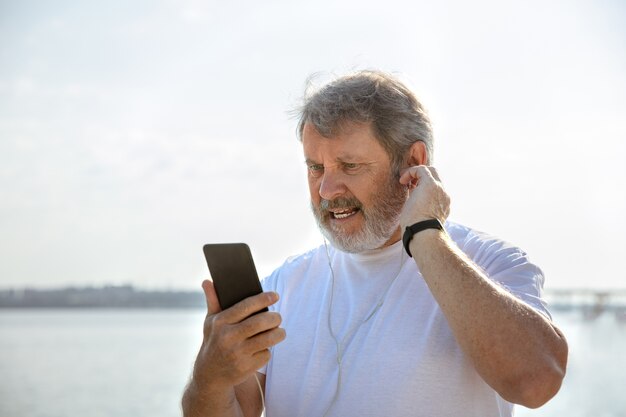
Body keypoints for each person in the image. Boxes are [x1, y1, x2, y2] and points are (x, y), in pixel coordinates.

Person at [182, 70, 568, 417]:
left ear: (413, 161)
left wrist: (426, 233)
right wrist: (210, 375)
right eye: (315, 167)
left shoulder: (491, 263)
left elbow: (536, 382)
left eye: (349, 166)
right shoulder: (283, 285)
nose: (326, 190)